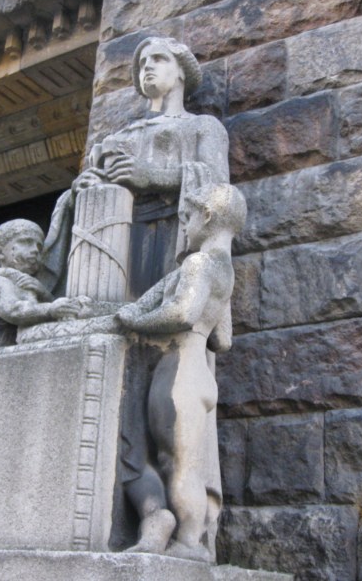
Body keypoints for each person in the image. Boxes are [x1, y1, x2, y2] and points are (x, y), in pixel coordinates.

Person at [115, 183, 247, 561]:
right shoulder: (226, 271)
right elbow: (222, 339)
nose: (185, 228)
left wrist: (134, 320)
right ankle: (189, 539)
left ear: (207, 216)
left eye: (187, 218)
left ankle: (189, 544)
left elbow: (183, 314)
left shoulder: (198, 263)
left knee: (177, 464)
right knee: (187, 463)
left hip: (179, 373)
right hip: (201, 378)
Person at [41, 36, 230, 297]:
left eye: (159, 59)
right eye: (142, 63)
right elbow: (91, 190)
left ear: (181, 72)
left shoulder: (202, 126)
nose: (148, 66)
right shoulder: (116, 139)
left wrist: (152, 176)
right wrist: (79, 193)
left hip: (170, 234)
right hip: (112, 241)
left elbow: (219, 191)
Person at [0, 219, 86, 546]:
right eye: (25, 242)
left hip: (22, 376)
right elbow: (12, 310)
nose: (35, 250)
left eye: (38, 245)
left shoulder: (32, 287)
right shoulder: (0, 281)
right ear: (2, 251)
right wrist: (52, 308)